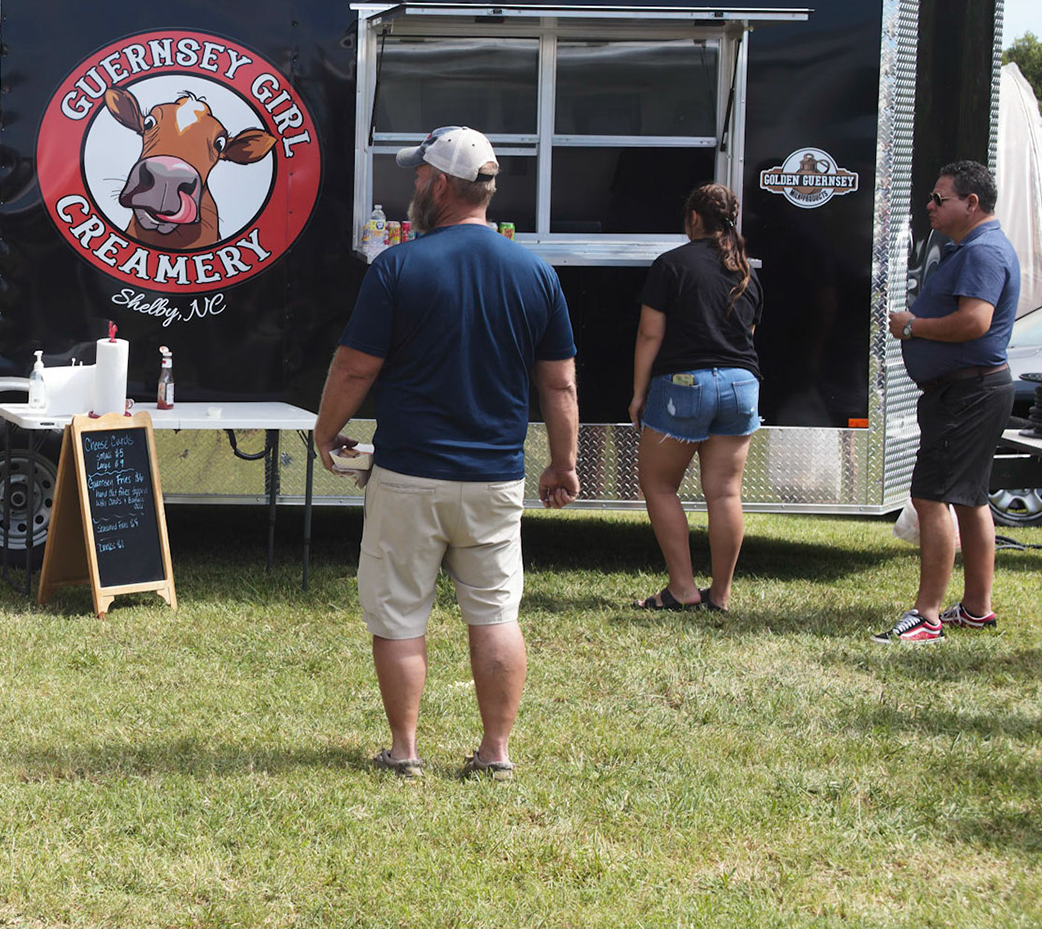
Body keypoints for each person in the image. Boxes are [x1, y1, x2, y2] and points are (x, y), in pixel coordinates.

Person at [314, 126, 579, 783]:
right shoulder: (535, 271)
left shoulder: (399, 267)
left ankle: (404, 751)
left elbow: (353, 370)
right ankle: (495, 753)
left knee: (400, 614)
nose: (411, 193)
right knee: (494, 614)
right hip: (494, 478)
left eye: (416, 180)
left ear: (437, 185)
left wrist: (326, 433)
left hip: (409, 475)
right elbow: (559, 382)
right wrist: (564, 462)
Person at [876, 160, 1020, 644]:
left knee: (931, 495)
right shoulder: (975, 247)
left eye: (940, 198)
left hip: (968, 391)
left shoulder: (983, 251)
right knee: (971, 498)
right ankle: (977, 609)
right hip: (974, 387)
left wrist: (912, 326)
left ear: (971, 203)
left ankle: (928, 617)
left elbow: (974, 322)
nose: (930, 206)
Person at [629, 184, 763, 613]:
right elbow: (748, 335)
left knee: (659, 484)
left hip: (685, 385)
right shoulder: (746, 271)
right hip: (743, 384)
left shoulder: (670, 265)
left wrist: (638, 395)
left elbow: (651, 334)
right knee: (725, 494)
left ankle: (683, 589)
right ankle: (720, 596)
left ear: (693, 219)